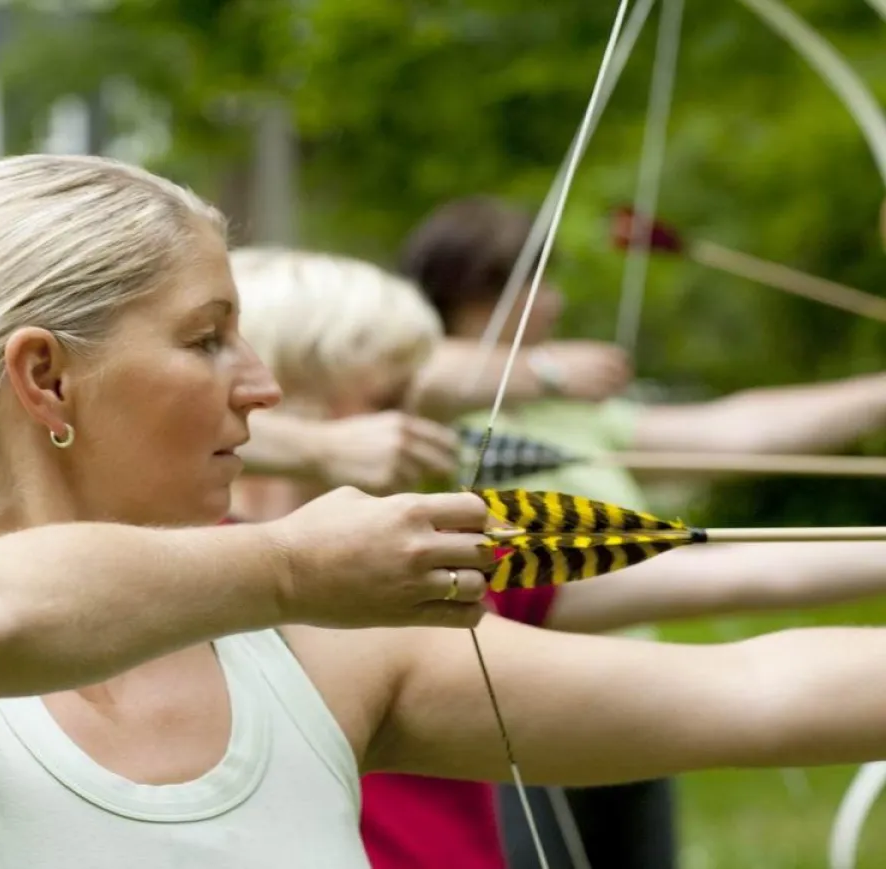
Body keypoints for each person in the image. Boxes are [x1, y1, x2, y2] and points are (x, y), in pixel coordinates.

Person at [0, 156, 886, 869]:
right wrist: (296, 565)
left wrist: (299, 582)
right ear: (45, 377)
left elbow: (757, 687)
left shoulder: (325, 654)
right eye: (207, 336)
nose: (258, 384)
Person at [228, 244, 886, 869]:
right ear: (284, 396)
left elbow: (748, 604)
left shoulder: (426, 558)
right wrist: (315, 447)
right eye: (389, 401)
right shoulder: (188, 578)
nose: (418, 421)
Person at [399, 194, 886, 869]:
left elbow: (732, 432)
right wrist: (545, 370)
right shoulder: (408, 409)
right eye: (539, 283)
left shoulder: (568, 411)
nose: (557, 303)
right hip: (509, 692)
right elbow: (405, 365)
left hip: (631, 687)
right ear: (481, 288)